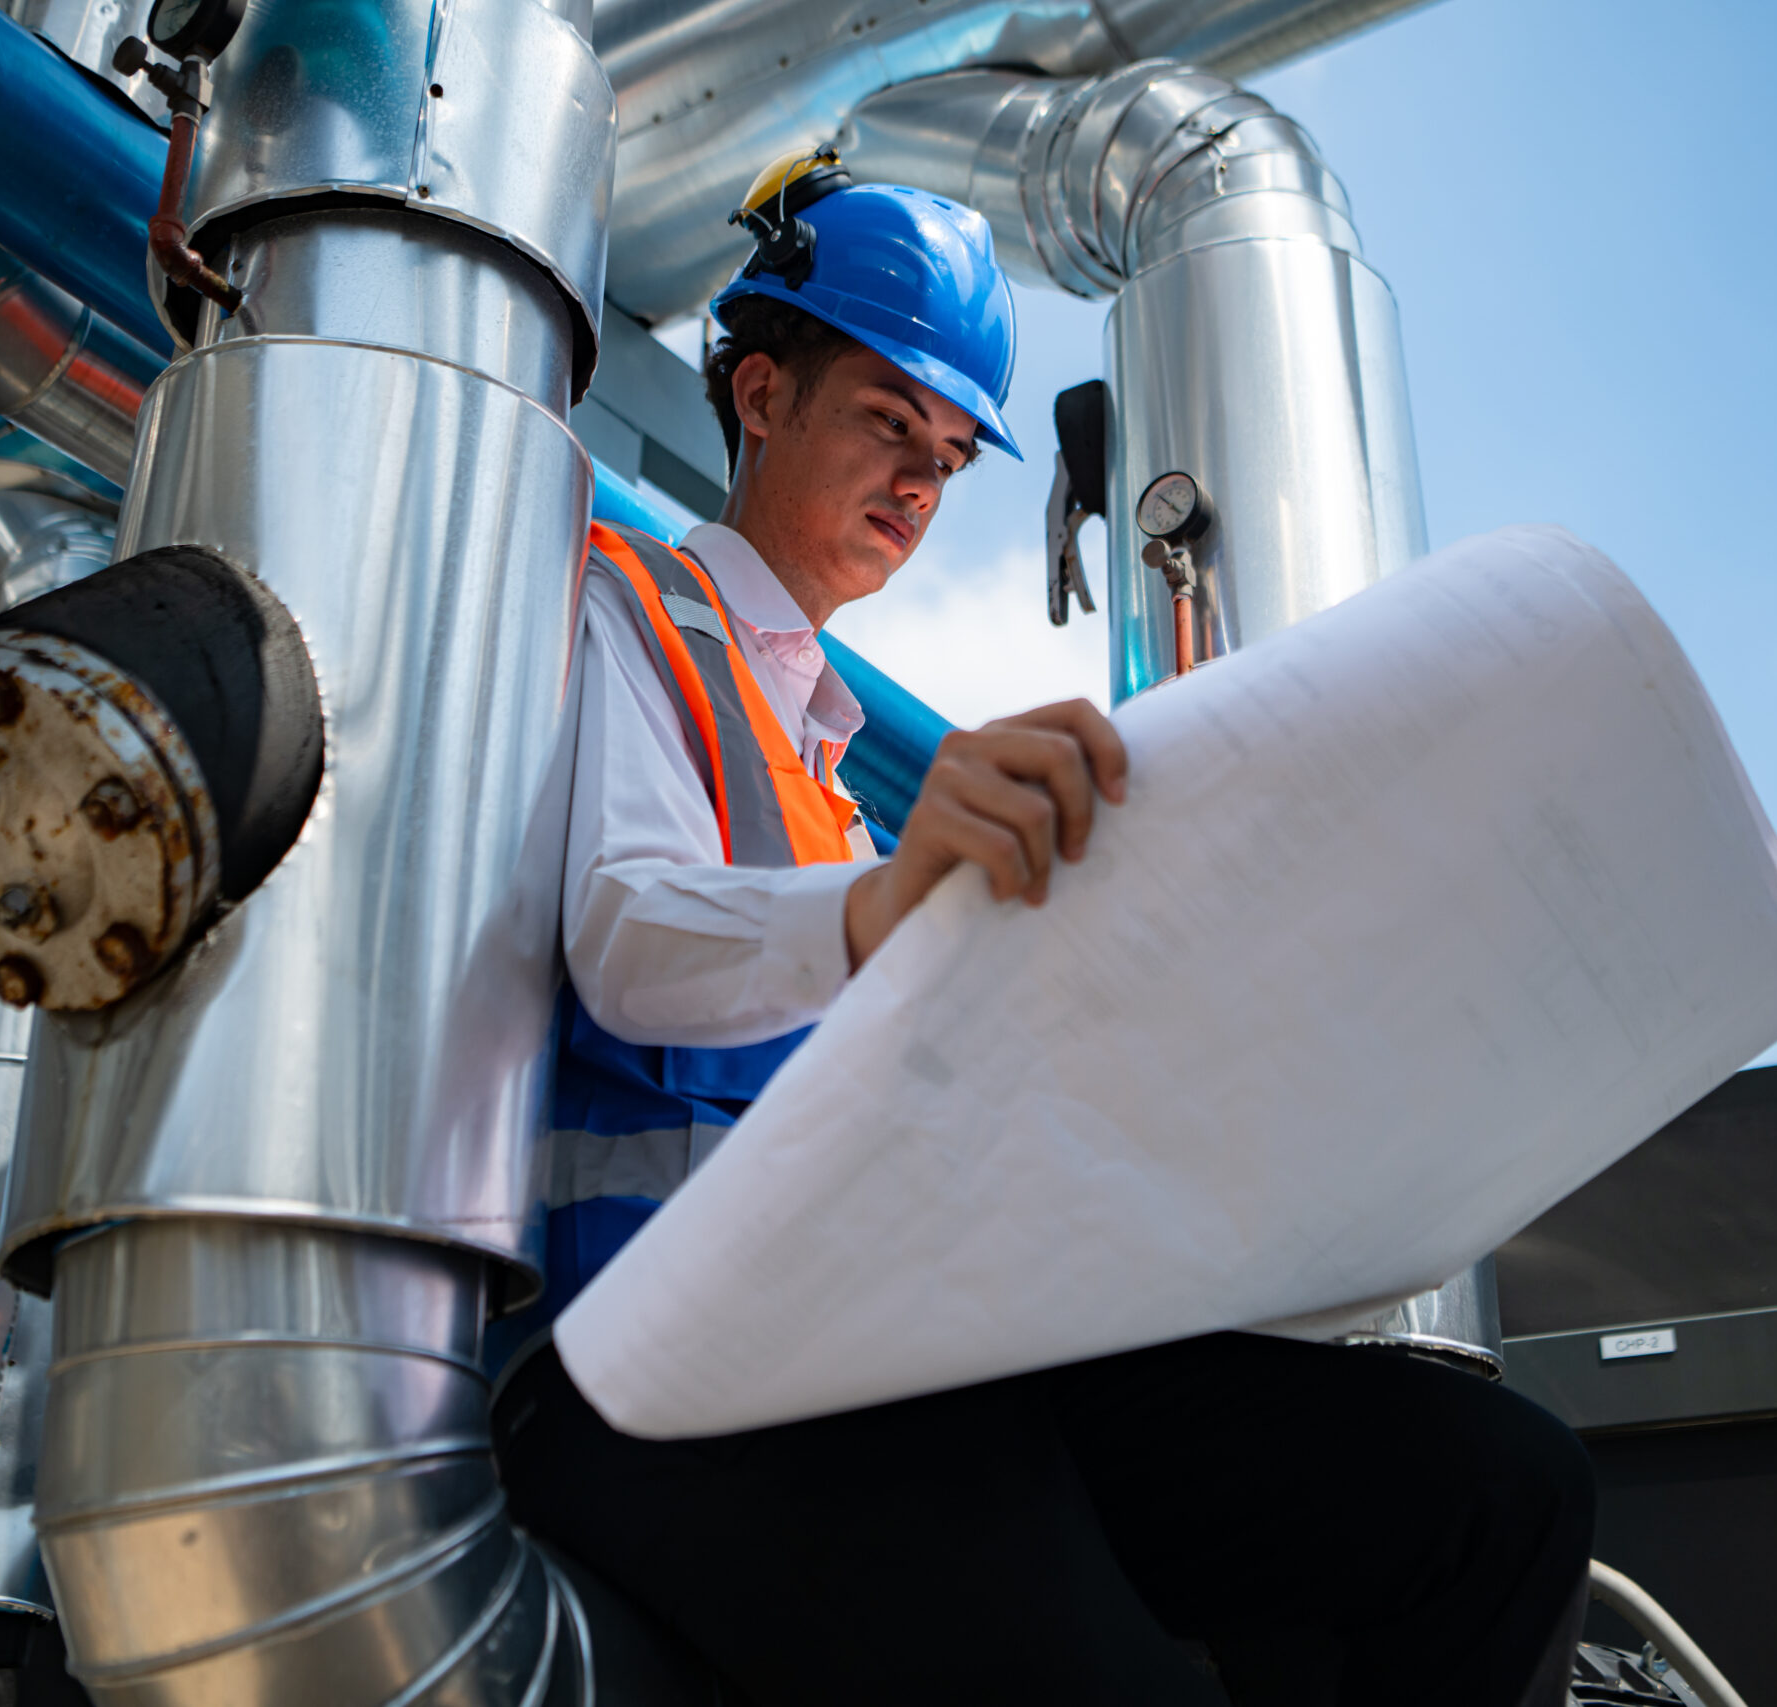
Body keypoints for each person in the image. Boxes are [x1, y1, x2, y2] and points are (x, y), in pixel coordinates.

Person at [492, 147, 1595, 1707]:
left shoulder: (835, 789)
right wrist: (892, 901)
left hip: (900, 1347)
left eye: (948, 457)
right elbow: (628, 933)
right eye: (890, 423)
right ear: (757, 396)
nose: (918, 488)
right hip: (665, 1367)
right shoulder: (615, 611)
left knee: (1489, 1491)